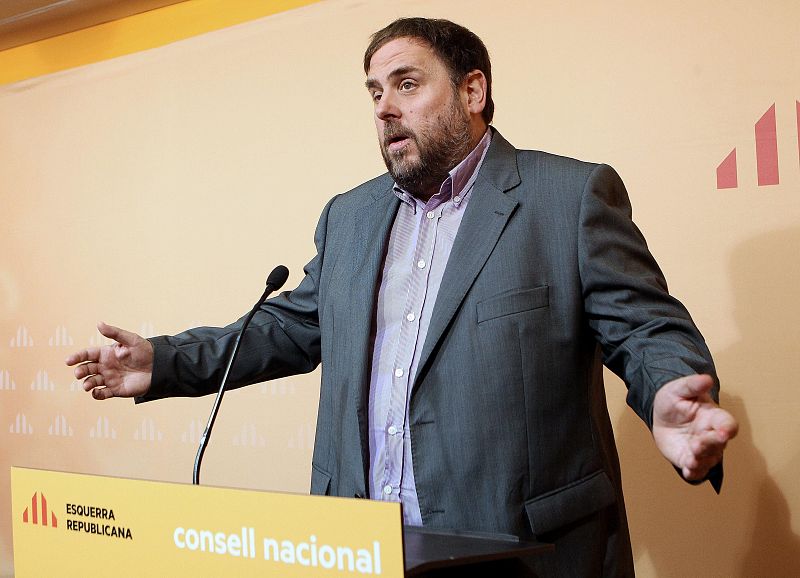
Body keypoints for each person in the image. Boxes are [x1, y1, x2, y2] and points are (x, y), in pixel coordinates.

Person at [67, 17, 738, 576]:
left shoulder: (566, 198)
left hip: (517, 553)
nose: (384, 107)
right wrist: (161, 361)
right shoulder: (350, 217)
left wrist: (669, 390)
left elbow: (644, 329)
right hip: (362, 550)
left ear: (472, 90)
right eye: (374, 92)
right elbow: (291, 327)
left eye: (407, 84)